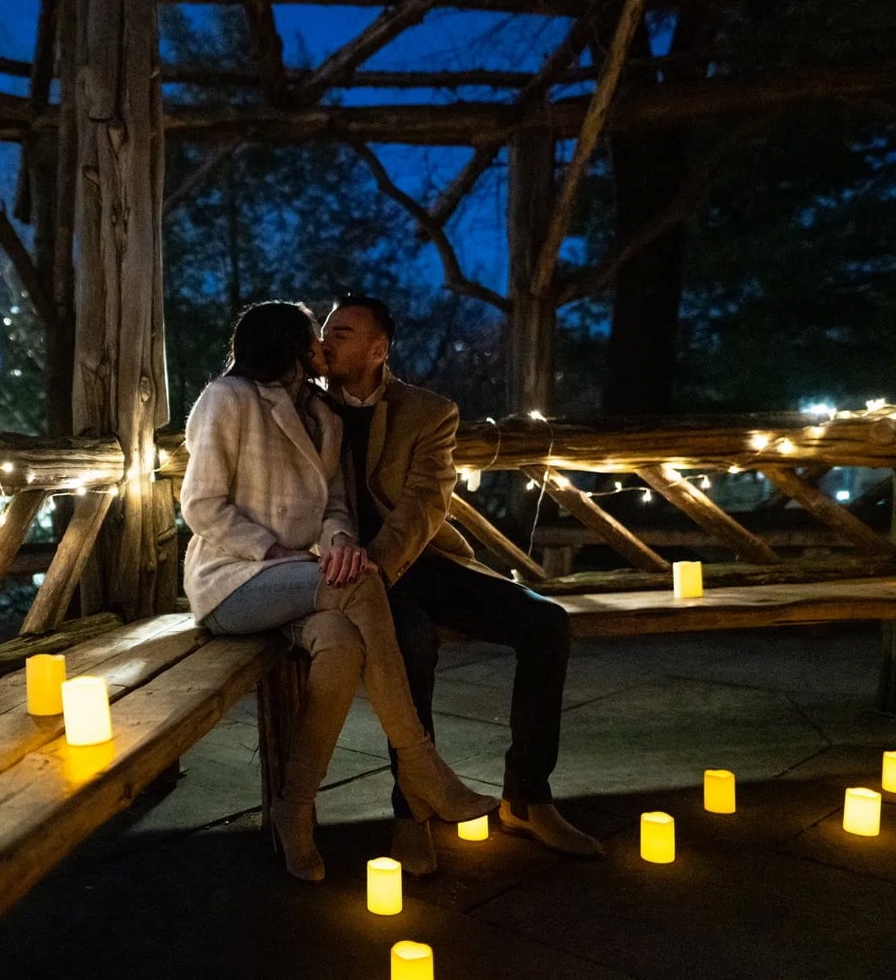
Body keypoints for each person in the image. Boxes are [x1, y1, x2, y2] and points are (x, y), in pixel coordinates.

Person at [180, 301, 497, 882]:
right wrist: (274, 551)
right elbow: (201, 506)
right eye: (315, 338)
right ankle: (422, 766)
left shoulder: (321, 415)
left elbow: (335, 505)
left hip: (301, 581)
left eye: (330, 337)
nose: (324, 346)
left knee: (344, 643)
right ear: (293, 347)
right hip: (233, 580)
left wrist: (344, 540)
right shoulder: (227, 399)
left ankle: (293, 807)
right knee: (361, 585)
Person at [319, 293, 602, 875]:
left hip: (417, 560)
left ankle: (526, 798)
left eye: (342, 333)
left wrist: (378, 565)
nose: (326, 341)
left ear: (379, 349)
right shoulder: (299, 407)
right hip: (337, 573)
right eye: (325, 331)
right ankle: (412, 811)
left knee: (548, 622)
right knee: (412, 640)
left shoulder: (428, 411)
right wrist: (356, 572)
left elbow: (424, 504)